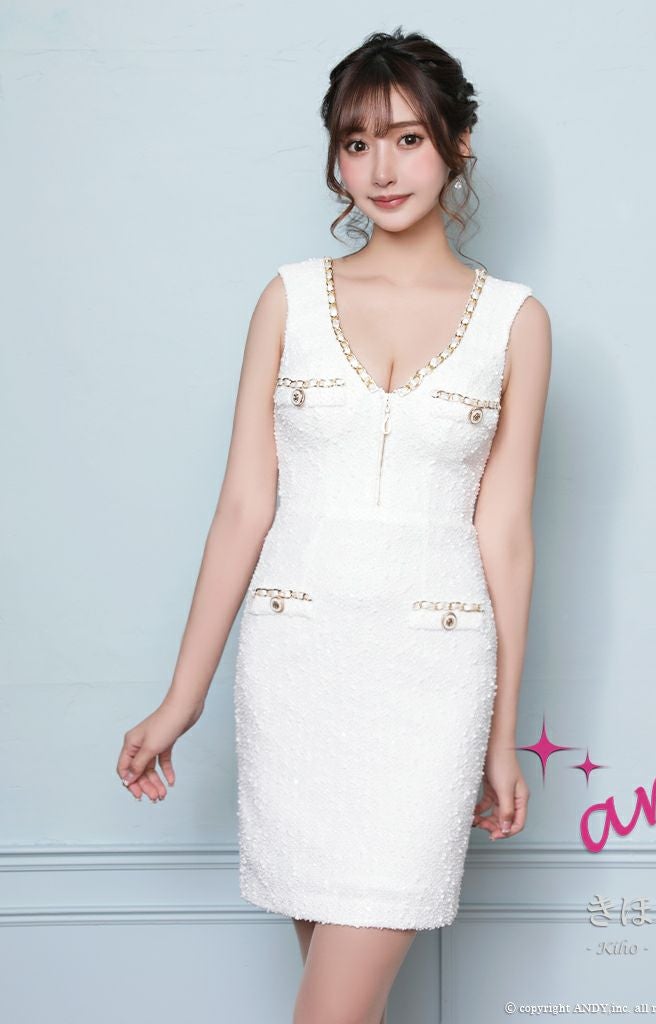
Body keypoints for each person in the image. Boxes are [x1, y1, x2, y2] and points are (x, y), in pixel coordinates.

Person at [116, 26, 551, 1024]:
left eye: (406, 138)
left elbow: (508, 534)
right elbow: (243, 507)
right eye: (357, 143)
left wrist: (502, 736)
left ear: (459, 143)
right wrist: (181, 699)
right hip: (297, 668)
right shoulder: (289, 300)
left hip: (434, 680)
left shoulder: (516, 322)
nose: (380, 169)